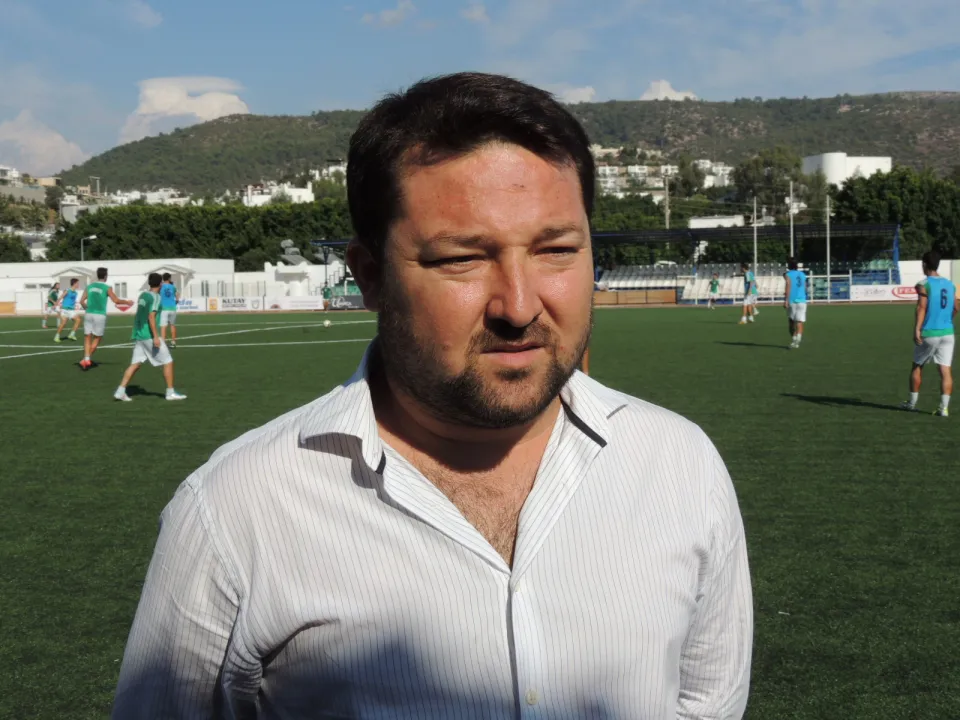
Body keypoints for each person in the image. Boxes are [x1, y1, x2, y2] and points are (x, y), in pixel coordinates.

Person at [113, 73, 752, 719]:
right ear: (370, 277)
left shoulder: (680, 465)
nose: (520, 307)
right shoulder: (236, 509)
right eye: (460, 260)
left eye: (557, 250)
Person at [900, 250, 957, 416]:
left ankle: (911, 404)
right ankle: (943, 408)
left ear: (924, 264)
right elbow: (956, 307)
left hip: (930, 332)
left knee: (917, 365)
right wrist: (947, 320)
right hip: (948, 333)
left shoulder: (924, 284)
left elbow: (921, 307)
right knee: (945, 370)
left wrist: (917, 329)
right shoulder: (950, 284)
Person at [113, 273, 186, 402]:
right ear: (161, 284)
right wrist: (156, 337)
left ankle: (120, 391)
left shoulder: (143, 295)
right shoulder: (156, 297)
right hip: (149, 336)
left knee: (135, 364)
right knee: (168, 361)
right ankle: (170, 393)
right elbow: (151, 317)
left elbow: (139, 314)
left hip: (140, 334)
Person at [80, 267, 132, 369]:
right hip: (100, 315)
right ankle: (87, 359)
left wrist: (87, 308)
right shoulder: (107, 287)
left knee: (87, 337)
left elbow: (82, 301)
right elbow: (116, 300)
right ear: (105, 276)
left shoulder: (89, 286)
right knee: (97, 337)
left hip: (89, 314)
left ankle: (86, 359)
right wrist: (127, 302)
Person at [783, 258, 808, 349]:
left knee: (791, 321)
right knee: (799, 321)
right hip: (802, 300)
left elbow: (788, 285)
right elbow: (805, 287)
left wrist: (786, 300)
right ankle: (798, 340)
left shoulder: (788, 274)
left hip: (792, 300)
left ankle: (794, 340)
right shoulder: (802, 274)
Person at [53, 278, 82, 342]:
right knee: (63, 323)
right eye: (77, 283)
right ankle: (56, 337)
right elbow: (60, 297)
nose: (78, 284)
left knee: (78, 320)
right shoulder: (67, 290)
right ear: (74, 283)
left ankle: (72, 334)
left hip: (71, 310)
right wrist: (55, 305)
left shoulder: (75, 293)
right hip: (64, 309)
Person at [158, 273, 179, 348]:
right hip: (172, 308)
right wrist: (176, 301)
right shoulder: (173, 287)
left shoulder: (160, 286)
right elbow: (177, 295)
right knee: (172, 325)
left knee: (163, 326)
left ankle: (163, 343)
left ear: (163, 279)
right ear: (169, 278)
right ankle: (173, 342)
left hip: (164, 309)